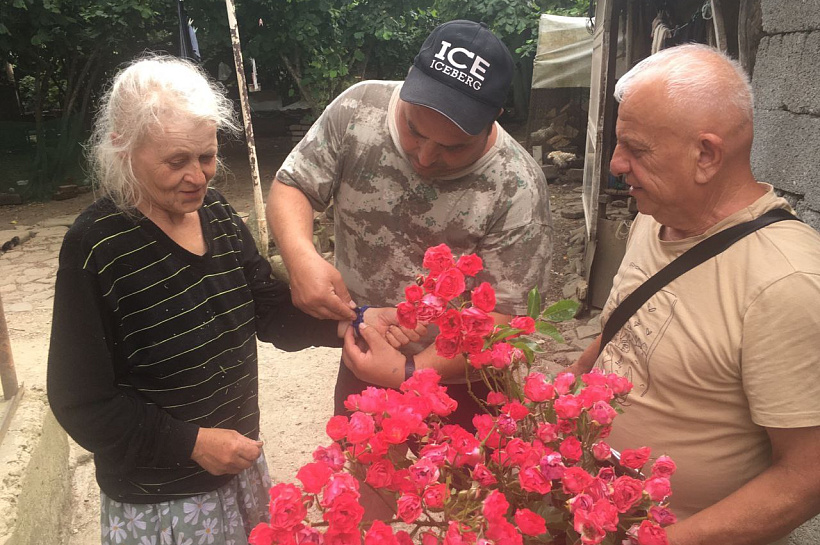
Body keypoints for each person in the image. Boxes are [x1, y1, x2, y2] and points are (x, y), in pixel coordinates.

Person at [46, 56, 407, 545]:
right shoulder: (97, 247)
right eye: (177, 161)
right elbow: (80, 401)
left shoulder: (214, 213)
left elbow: (268, 309)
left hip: (238, 468)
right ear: (123, 149)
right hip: (161, 500)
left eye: (208, 157)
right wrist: (192, 444)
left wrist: (350, 322)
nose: (198, 176)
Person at [569, 44, 820, 545]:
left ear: (706, 155)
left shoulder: (787, 282)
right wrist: (562, 400)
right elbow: (622, 334)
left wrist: (659, 542)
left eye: (636, 149)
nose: (616, 164)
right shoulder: (655, 215)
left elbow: (807, 477)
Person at [267, 20, 552, 430]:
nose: (424, 157)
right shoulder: (357, 111)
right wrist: (299, 257)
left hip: (463, 385)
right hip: (365, 357)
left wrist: (411, 372)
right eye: (414, 130)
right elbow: (293, 184)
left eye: (453, 147)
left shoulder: (517, 184)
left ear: (494, 119)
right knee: (363, 488)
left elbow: (509, 320)